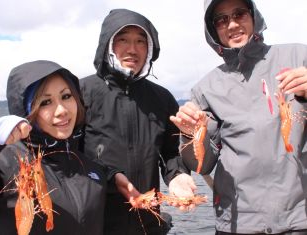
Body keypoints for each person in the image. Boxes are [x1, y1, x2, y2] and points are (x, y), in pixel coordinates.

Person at [170, 0, 307, 234]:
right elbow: (202, 164)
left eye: (239, 14)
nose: (232, 24)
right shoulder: (205, 89)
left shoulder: (299, 56)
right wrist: (189, 134)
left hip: (300, 219)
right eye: (221, 20)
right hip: (237, 223)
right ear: (213, 31)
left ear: (254, 16)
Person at [0, 60, 126, 235]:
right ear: (26, 111)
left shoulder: (89, 167)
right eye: (45, 102)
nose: (61, 110)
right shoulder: (1, 165)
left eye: (66, 96)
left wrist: (113, 176)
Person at [79, 8, 197, 235]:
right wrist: (109, 177)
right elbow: (69, 157)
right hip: (94, 225)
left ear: (149, 48)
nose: (132, 49)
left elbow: (171, 153)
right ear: (108, 44)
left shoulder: (162, 98)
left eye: (141, 41)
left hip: (148, 224)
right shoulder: (81, 93)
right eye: (122, 39)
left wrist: (178, 175)